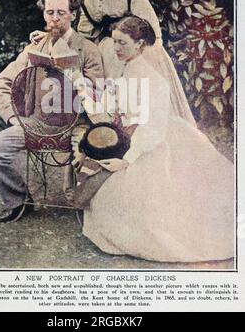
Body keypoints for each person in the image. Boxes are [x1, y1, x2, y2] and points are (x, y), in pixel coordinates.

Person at [81, 16, 234, 263]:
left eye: (122, 43)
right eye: (114, 42)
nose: (116, 48)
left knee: (150, 211)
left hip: (156, 141)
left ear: (140, 43)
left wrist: (128, 160)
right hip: (133, 134)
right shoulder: (127, 68)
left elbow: (152, 128)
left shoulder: (153, 80)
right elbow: (119, 106)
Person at [31, 0, 196, 127]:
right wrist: (53, 34)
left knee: (144, 106)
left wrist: (144, 56)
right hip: (108, 57)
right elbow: (83, 37)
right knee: (114, 107)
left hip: (139, 52)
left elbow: (151, 28)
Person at [0, 0, 104, 223]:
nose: (55, 18)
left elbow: (100, 93)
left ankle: (88, 207)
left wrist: (77, 78)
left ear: (73, 14)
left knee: (96, 151)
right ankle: (17, 201)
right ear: (44, 14)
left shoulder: (88, 50)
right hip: (39, 123)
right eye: (50, 12)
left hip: (78, 124)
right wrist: (13, 118)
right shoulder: (34, 49)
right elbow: (1, 84)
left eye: (61, 13)